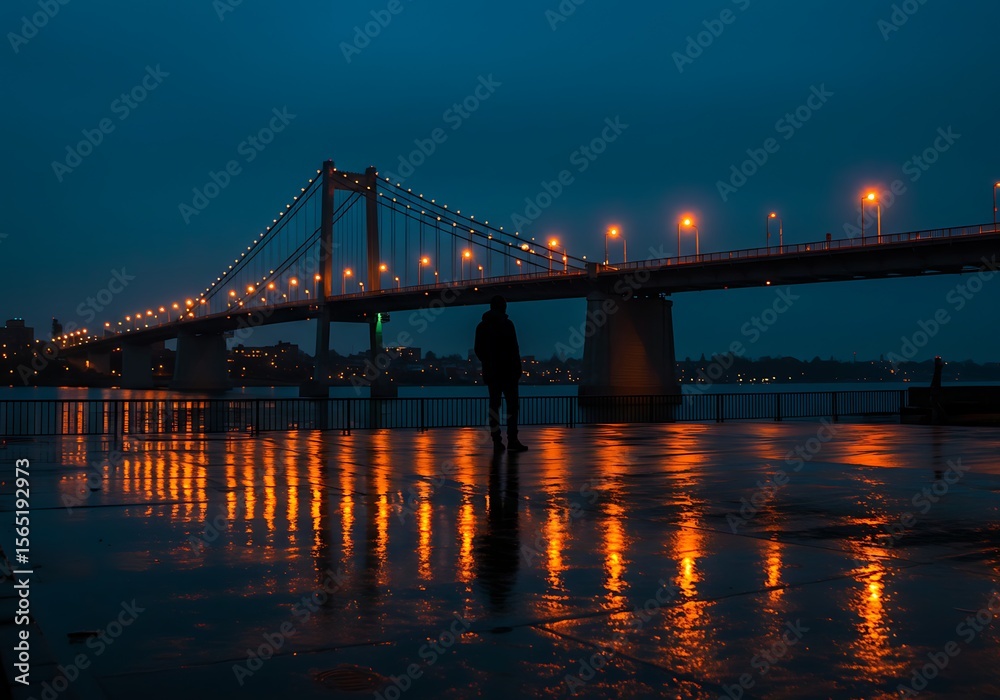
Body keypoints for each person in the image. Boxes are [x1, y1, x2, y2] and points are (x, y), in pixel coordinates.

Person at [474, 295, 528, 452]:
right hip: (509, 373)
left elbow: (478, 350)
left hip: (492, 374)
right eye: (505, 305)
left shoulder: (482, 327)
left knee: (494, 407)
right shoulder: (508, 324)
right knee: (512, 407)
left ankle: (497, 441)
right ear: (501, 306)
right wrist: (517, 369)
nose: (506, 307)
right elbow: (514, 349)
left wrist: (488, 364)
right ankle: (513, 440)